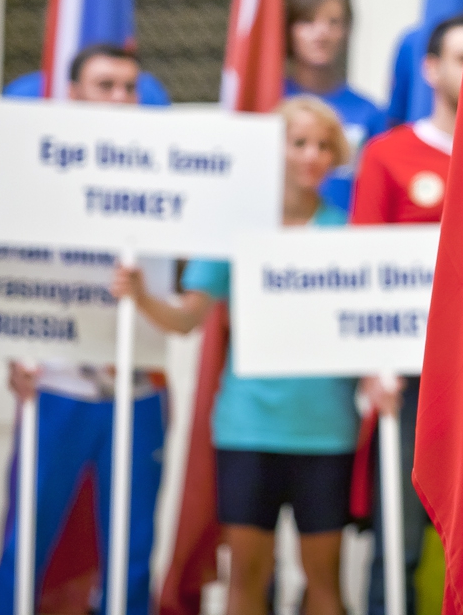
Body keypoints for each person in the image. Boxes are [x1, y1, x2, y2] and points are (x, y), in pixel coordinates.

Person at [113, 96, 361, 615]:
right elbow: (185, 320)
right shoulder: (235, 231)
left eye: (322, 145)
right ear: (274, 150)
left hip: (326, 429)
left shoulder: (350, 234)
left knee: (324, 580)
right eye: (299, 143)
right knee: (246, 576)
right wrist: (139, 295)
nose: (311, 155)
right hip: (248, 429)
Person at [0, 44, 168, 615]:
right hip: (59, 382)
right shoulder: (37, 168)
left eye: (129, 87)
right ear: (73, 92)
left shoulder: (165, 168)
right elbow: (3, 266)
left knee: (134, 548)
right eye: (105, 85)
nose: (120, 98)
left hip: (136, 386)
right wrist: (13, 353)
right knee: (28, 540)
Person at [350, 12, 463, 615]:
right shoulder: (389, 154)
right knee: (397, 538)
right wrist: (373, 368)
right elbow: (361, 263)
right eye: (459, 57)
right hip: (408, 375)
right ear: (431, 68)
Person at [284, 0, 388, 213]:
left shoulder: (370, 112)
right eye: (308, 21)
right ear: (290, 29)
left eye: (333, 23)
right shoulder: (269, 103)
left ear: (347, 31)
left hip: (345, 236)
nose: (321, 33)